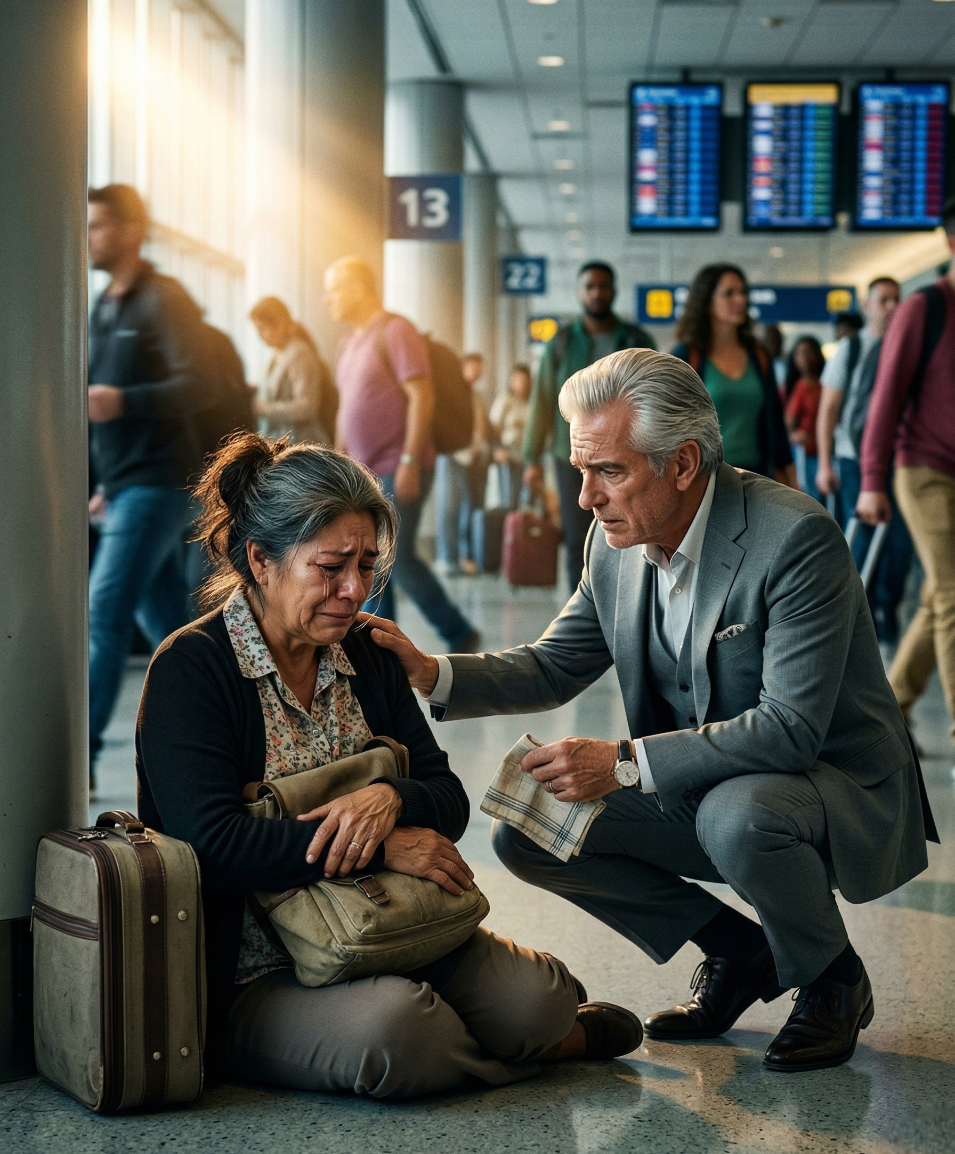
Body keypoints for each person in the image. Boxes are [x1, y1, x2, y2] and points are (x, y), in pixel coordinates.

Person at [368, 350, 936, 1075]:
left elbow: (789, 730)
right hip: (708, 786)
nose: (585, 498)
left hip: (829, 789)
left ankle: (831, 979)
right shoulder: (615, 544)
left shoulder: (792, 539)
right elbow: (552, 665)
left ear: (683, 463)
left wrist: (624, 763)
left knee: (737, 813)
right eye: (582, 471)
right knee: (533, 826)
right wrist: (429, 671)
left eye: (608, 471)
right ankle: (742, 952)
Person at [135, 434, 642, 1097]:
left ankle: (536, 1028)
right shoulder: (193, 669)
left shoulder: (365, 653)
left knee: (537, 999)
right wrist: (379, 848)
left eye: (367, 566)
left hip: (392, 928)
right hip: (258, 972)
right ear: (261, 559)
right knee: (399, 1036)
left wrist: (389, 801)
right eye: (331, 567)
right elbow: (215, 847)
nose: (354, 591)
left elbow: (446, 797)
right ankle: (547, 1047)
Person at [87, 184, 211, 781]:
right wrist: (105, 483)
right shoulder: (104, 305)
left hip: (159, 482)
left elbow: (199, 385)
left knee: (103, 611)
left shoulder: (164, 298)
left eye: (100, 226)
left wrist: (124, 400)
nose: (90, 237)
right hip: (126, 484)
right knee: (166, 623)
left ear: (131, 231)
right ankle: (226, 721)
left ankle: (75, 754)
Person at [323, 256, 479, 653]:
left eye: (334, 289)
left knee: (393, 558)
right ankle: (382, 643)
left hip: (399, 465)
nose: (328, 300)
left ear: (359, 287)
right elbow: (347, 407)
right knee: (377, 560)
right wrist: (339, 463)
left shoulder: (395, 330)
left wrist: (410, 460)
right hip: (362, 473)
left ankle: (447, 633)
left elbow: (420, 396)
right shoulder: (348, 342)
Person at [858, 204, 955, 759]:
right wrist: (871, 478)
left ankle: (892, 705)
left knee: (943, 595)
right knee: (952, 591)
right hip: (923, 469)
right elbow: (886, 395)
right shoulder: (926, 308)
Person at [522, 261, 656, 592]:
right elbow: (542, 400)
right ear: (580, 293)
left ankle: (626, 607)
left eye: (604, 286)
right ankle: (580, 618)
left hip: (626, 454)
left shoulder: (635, 338)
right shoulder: (562, 342)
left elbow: (652, 397)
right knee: (577, 539)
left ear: (614, 291)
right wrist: (531, 459)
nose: (597, 293)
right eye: (590, 286)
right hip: (573, 456)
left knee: (630, 532)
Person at [816, 277, 911, 645]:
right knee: (863, 540)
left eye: (896, 300)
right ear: (868, 306)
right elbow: (829, 410)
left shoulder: (908, 348)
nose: (891, 307)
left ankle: (888, 608)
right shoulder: (850, 349)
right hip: (854, 459)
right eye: (883, 300)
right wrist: (825, 464)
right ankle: (862, 616)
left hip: (898, 461)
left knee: (900, 544)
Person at [671, 264, 797, 488]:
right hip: (704, 477)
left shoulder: (758, 355)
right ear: (707, 303)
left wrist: (790, 476)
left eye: (743, 292)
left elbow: (775, 420)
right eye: (729, 293)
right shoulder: (687, 356)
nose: (740, 300)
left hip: (757, 476)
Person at [250, 296, 334, 445]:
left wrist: (264, 409)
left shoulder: (299, 354)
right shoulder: (276, 354)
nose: (260, 336)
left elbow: (306, 407)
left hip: (301, 444)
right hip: (284, 440)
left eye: (263, 328)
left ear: (281, 325)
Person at [435, 352, 491, 576]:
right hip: (453, 455)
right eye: (473, 367)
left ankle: (464, 557)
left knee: (468, 508)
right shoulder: (452, 393)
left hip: (473, 457)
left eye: (480, 368)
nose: (477, 372)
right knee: (449, 508)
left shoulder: (474, 394)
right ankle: (447, 558)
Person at [784, 336, 825, 501]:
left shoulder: (825, 384)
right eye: (800, 354)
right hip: (805, 454)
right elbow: (789, 422)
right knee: (809, 499)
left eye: (809, 353)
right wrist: (794, 436)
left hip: (825, 452)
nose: (805, 358)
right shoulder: (798, 387)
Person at [489, 363, 533, 510]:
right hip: (508, 454)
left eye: (524, 379)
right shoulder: (504, 401)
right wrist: (497, 449)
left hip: (527, 455)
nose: (522, 383)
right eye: (518, 379)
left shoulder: (531, 402)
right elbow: (493, 428)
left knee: (528, 498)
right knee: (508, 498)